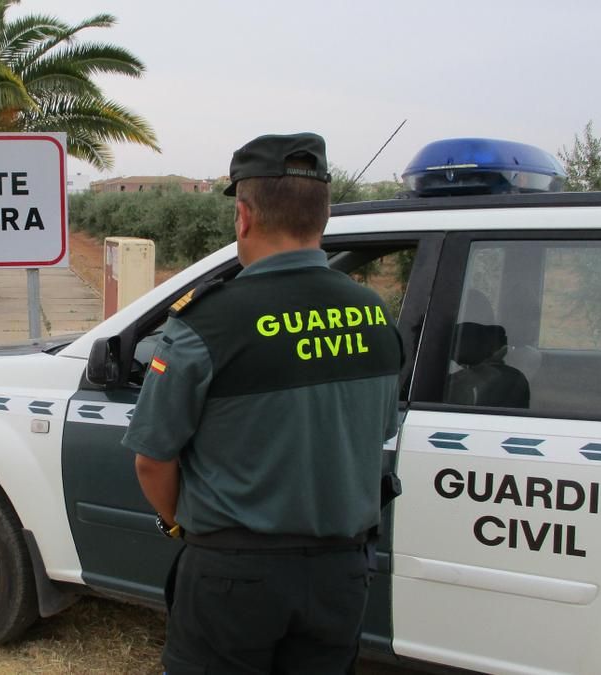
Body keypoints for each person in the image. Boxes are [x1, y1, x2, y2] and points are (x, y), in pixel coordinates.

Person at [123, 132, 403, 674]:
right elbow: (377, 432)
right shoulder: (374, 313)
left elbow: (151, 460)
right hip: (340, 575)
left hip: (233, 577)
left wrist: (182, 527)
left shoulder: (205, 322)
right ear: (321, 219)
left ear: (244, 216)